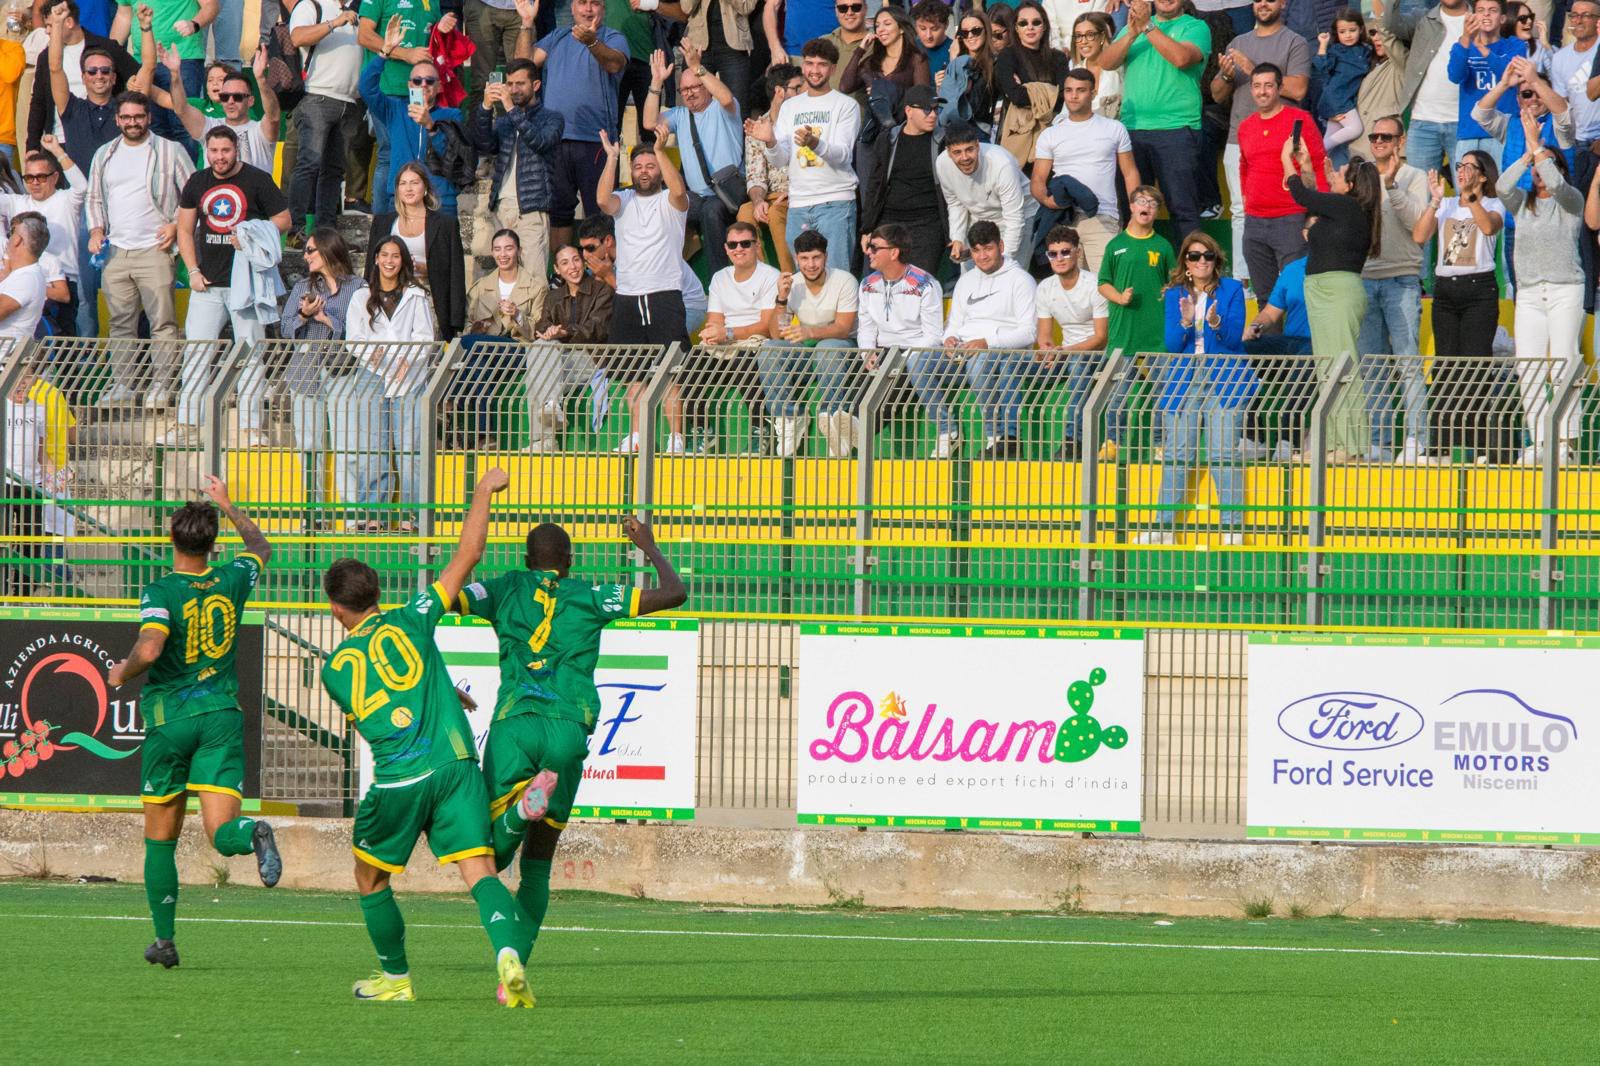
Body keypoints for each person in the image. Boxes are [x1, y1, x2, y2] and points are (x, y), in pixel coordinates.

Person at [320, 469, 542, 1008]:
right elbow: (467, 556)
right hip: (458, 766)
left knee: (369, 878)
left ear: (336, 608)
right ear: (377, 593)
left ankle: (395, 979)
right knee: (480, 870)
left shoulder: (334, 668)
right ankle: (507, 955)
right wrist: (482, 491)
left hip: (400, 779)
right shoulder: (415, 616)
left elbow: (383, 710)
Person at [458, 514, 684, 1007]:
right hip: (567, 728)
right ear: (569, 561)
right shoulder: (590, 594)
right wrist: (647, 545)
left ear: (525, 560)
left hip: (514, 723)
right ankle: (512, 973)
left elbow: (449, 597)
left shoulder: (502, 588)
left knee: (488, 860)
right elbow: (674, 593)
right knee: (538, 866)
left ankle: (517, 814)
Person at [105, 475, 281, 970]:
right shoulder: (233, 577)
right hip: (222, 715)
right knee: (221, 831)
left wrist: (121, 670)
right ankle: (251, 835)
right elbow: (262, 545)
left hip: (171, 719)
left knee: (160, 836)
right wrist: (228, 503)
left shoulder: (160, 590)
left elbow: (152, 646)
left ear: (171, 539)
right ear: (213, 542)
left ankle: (164, 940)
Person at [165, 126, 290, 446]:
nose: (220, 157)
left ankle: (251, 428)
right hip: (206, 284)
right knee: (196, 353)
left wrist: (251, 232)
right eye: (214, 151)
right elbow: (184, 229)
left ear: (237, 149)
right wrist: (191, 270)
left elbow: (284, 220)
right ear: (207, 151)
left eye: (226, 150)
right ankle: (187, 425)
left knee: (250, 353)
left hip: (245, 284)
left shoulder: (257, 179)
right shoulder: (198, 181)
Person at [1141, 231, 1252, 545]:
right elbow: (1173, 345)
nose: (1201, 261)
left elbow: (1233, 339)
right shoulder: (1175, 294)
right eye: (1194, 256)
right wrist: (1187, 322)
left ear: (1216, 260)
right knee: (1177, 452)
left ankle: (1232, 529)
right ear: (1185, 262)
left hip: (1224, 377)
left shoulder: (1231, 289)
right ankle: (1163, 528)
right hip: (1185, 377)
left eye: (1208, 255)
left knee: (1222, 452)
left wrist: (1214, 322)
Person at [1281, 143, 1381, 461]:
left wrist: (1287, 162)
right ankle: (1333, 443)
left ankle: (1350, 447)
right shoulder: (1344, 209)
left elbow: (1303, 196)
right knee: (1328, 369)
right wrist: (1308, 167)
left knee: (1341, 368)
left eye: (1339, 174)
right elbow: (1316, 198)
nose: (1333, 175)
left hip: (1336, 293)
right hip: (1324, 291)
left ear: (1351, 185)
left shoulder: (1348, 208)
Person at [86, 90, 192, 381]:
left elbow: (193, 197)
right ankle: (122, 386)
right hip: (116, 250)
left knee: (163, 323)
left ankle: (162, 385)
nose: (133, 122)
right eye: (127, 117)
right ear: (117, 119)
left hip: (156, 249)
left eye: (138, 116)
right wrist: (96, 230)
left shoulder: (172, 150)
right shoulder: (104, 154)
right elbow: (94, 198)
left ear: (149, 117)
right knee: (120, 323)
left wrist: (174, 226)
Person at [599, 127, 689, 453]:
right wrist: (612, 159)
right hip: (628, 297)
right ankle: (637, 437)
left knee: (671, 373)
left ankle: (676, 438)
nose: (644, 172)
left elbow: (678, 190)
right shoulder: (622, 199)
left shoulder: (671, 200)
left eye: (650, 166)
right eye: (638, 167)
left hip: (664, 294)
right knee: (632, 375)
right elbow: (600, 200)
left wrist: (662, 152)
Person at [1209, 0, 1311, 287]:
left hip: (1280, 141)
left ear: (1283, 3)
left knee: (1283, 206)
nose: (1263, 3)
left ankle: (1284, 277)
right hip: (1238, 137)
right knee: (1241, 209)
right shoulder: (1238, 42)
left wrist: (1251, 68)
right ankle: (1244, 280)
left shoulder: (1295, 42)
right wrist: (1228, 75)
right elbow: (1217, 94)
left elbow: (1299, 88)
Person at [340, 236, 437, 532]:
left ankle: (412, 516)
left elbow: (425, 337)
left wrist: (410, 358)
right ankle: (375, 515)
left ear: (403, 261)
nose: (390, 261)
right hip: (373, 375)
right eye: (385, 255)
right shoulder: (360, 296)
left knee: (410, 451)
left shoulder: (416, 295)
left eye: (396, 256)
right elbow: (353, 339)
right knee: (373, 449)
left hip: (409, 377)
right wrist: (374, 354)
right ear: (377, 259)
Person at [1412, 149, 1504, 463]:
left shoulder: (1493, 202)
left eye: (1468, 166)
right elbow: (1419, 236)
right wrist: (1436, 200)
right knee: (1445, 366)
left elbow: (1489, 227)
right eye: (1459, 165)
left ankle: (1481, 448)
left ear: (1482, 174)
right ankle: (1440, 447)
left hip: (1479, 289)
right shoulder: (1447, 205)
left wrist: (1471, 198)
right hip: (1446, 291)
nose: (1461, 170)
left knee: (1476, 366)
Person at [516, 0, 629, 251]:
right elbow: (522, 68)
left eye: (595, 4)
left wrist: (592, 42)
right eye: (582, 3)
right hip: (556, 141)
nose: (588, 9)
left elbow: (614, 63)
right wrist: (526, 25)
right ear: (573, 8)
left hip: (596, 141)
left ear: (604, 9)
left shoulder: (614, 37)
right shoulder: (557, 36)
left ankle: (603, 279)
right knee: (559, 213)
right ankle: (562, 276)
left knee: (599, 214)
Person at [746, 37, 860, 273]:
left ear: (832, 68)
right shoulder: (790, 106)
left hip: (835, 201)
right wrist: (770, 141)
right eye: (810, 63)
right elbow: (780, 159)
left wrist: (814, 143)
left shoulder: (846, 105)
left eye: (822, 64)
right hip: (798, 204)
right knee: (804, 279)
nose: (815, 70)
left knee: (838, 278)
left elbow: (843, 155)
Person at [1101, 0, 1211, 245]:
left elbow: (1182, 58)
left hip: (1177, 130)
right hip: (1132, 130)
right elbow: (1106, 62)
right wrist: (1131, 32)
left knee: (1183, 210)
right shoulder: (1133, 28)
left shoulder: (1195, 27)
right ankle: (1138, 273)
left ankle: (1190, 276)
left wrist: (1147, 26)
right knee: (1133, 209)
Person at [1504, 125, 1583, 463]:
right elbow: (1501, 186)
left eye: (1545, 164)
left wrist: (1539, 148)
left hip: (1566, 288)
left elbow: (1556, 184)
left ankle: (1566, 441)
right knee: (1529, 366)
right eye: (1536, 166)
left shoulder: (1571, 200)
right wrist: (1527, 154)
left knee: (1563, 361)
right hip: (1530, 294)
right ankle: (1539, 439)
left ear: (1558, 168)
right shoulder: (1522, 203)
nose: (1538, 170)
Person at [1358, 114, 1432, 464]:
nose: (1378, 142)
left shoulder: (1415, 177)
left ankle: (1417, 440)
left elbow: (1418, 224)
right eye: (1374, 136)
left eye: (1386, 136)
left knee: (1407, 363)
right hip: (1365, 278)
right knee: (1371, 365)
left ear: (1400, 141)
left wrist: (1391, 186)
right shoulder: (1362, 176)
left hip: (1402, 278)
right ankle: (1380, 442)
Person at [45, 13, 123, 337]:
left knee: (123, 294)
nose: (99, 75)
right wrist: (57, 30)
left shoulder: (126, 111)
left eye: (105, 70)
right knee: (86, 296)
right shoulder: (72, 107)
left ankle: (131, 365)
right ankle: (88, 364)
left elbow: (146, 73)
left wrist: (145, 30)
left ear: (114, 76)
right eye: (92, 71)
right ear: (85, 76)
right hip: (83, 211)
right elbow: (53, 69)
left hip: (121, 208)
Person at [758, 228, 859, 458]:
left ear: (825, 257)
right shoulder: (792, 283)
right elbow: (776, 334)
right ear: (796, 258)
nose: (810, 264)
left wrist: (809, 331)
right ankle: (789, 418)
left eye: (816, 257)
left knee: (828, 348)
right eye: (804, 258)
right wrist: (781, 299)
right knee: (769, 350)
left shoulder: (844, 281)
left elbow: (843, 328)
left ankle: (832, 418)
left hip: (842, 348)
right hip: (807, 353)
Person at [939, 219, 1035, 458]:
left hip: (1005, 354)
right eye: (976, 250)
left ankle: (998, 436)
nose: (982, 256)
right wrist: (949, 338)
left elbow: (1029, 333)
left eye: (988, 248)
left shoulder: (1021, 280)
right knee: (918, 362)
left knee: (980, 360)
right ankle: (946, 432)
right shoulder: (966, 280)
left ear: (1001, 246)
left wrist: (987, 342)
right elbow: (954, 323)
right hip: (963, 354)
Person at [645, 41, 743, 273]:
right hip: (698, 196)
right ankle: (660, 273)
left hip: (729, 194)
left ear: (707, 86)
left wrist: (697, 67)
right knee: (661, 205)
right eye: (684, 90)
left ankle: (718, 280)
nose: (688, 94)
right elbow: (649, 123)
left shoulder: (723, 109)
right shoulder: (680, 115)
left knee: (711, 212)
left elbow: (726, 98)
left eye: (694, 87)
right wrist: (656, 82)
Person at [1030, 66, 1139, 273]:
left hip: (1103, 216)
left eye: (1080, 90)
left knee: (1107, 285)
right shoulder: (1050, 134)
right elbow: (1037, 179)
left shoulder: (1114, 128)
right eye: (1069, 90)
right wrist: (1047, 201)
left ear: (1093, 93)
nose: (1073, 95)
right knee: (1071, 291)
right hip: (1063, 219)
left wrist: (1134, 212)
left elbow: (1130, 173)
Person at [1097, 185, 1175, 459]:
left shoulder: (1162, 246)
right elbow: (1103, 283)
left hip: (1156, 337)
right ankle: (1112, 443)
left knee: (1161, 396)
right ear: (1131, 206)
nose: (1147, 206)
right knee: (1117, 396)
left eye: (1153, 203)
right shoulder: (1116, 245)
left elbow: (1172, 282)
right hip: (1123, 335)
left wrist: (1168, 289)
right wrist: (1119, 298)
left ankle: (1160, 444)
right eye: (1142, 201)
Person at [1236, 63, 1327, 297]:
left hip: (1291, 218)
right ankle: (1269, 336)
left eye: (1268, 85)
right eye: (1256, 86)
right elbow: (1245, 166)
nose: (1262, 91)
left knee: (1296, 294)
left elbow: (1319, 165)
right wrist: (1248, 204)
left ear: (1279, 88)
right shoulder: (1246, 127)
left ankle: (1295, 336)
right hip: (1255, 222)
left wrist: (1318, 214)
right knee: (1264, 298)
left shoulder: (1300, 120)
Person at [280, 227, 364, 480]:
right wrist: (304, 316)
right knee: (308, 447)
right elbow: (285, 329)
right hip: (305, 372)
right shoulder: (303, 286)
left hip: (343, 371)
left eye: (310, 250)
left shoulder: (358, 287)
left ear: (328, 250)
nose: (305, 256)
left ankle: (352, 519)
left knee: (348, 447)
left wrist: (328, 321)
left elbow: (364, 331)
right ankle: (312, 516)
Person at [857, 222, 948, 455]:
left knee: (896, 372)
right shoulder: (867, 284)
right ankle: (847, 423)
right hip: (883, 350)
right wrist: (867, 351)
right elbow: (866, 327)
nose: (868, 252)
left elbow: (933, 335)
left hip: (915, 352)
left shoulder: (925, 283)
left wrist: (905, 356)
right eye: (869, 246)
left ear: (894, 252)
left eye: (874, 247)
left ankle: (860, 430)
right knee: (856, 366)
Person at [472, 57, 563, 281]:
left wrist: (511, 109)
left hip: (532, 207)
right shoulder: (504, 122)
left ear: (536, 86)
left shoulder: (552, 118)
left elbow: (540, 142)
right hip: (501, 206)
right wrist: (485, 108)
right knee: (500, 277)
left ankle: (538, 318)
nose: (514, 89)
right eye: (510, 84)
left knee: (534, 276)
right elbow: (484, 146)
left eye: (520, 84)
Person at [357, 0, 452, 216]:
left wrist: (442, 28)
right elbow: (364, 36)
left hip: (422, 92)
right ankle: (382, 220)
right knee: (389, 152)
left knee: (418, 153)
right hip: (388, 87)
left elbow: (432, 40)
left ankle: (415, 214)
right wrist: (403, 53)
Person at [698, 219, 781, 452]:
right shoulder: (719, 277)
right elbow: (714, 317)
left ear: (756, 246)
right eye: (733, 245)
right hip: (726, 341)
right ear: (725, 248)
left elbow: (766, 325)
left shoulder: (769, 275)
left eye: (745, 243)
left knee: (746, 364)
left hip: (756, 340)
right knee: (691, 369)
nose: (739, 249)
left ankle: (761, 432)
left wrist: (728, 332)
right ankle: (702, 432)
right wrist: (713, 332)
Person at [1029, 224, 1108, 461]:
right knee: (1015, 366)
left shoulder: (1095, 284)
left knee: (1077, 364)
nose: (1059, 258)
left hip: (1096, 354)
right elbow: (1044, 334)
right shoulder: (1045, 287)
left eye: (1065, 252)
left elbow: (1101, 337)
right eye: (1053, 254)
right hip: (1064, 353)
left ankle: (1073, 441)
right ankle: (1008, 439)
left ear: (1077, 252)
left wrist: (1066, 351)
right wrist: (1047, 351)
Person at [286, 0, 362, 242]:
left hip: (349, 101)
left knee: (334, 171)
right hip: (317, 96)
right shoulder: (311, 5)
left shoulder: (358, 8)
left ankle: (325, 233)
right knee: (309, 163)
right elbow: (297, 37)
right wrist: (335, 22)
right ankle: (296, 229)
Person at [526, 243, 611, 451]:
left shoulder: (602, 290)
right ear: (557, 269)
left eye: (575, 260)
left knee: (539, 362)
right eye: (564, 263)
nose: (572, 267)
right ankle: (551, 410)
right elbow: (542, 324)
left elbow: (597, 327)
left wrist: (564, 332)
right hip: (561, 360)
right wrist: (549, 331)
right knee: (540, 347)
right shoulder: (554, 296)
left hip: (592, 358)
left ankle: (544, 438)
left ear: (583, 262)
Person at [371, 162, 468, 341]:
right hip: (390, 298)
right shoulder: (382, 222)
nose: (408, 188)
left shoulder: (445, 224)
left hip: (430, 299)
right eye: (403, 183)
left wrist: (456, 321)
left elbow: (456, 274)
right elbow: (371, 268)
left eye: (414, 183)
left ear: (425, 188)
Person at [857, 82, 946, 274]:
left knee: (918, 284)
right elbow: (875, 184)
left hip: (928, 223)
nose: (932, 115)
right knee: (879, 282)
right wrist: (867, 228)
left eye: (936, 110)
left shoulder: (943, 140)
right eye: (926, 109)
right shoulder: (888, 139)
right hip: (890, 220)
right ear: (908, 110)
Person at [26, 0, 137, 153]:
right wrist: (32, 147)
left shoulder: (105, 47)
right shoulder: (46, 57)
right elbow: (39, 102)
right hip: (60, 141)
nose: (47, 31)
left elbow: (139, 75)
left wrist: (132, 82)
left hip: (105, 136)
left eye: (51, 25)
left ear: (69, 22)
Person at [1, 134, 84, 328]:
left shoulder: (66, 200)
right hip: (22, 281)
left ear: (55, 177)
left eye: (41, 176)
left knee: (61, 348)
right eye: (29, 178)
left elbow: (81, 186)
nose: (35, 182)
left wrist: (57, 150)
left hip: (61, 283)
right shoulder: (17, 202)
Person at [1548, 0, 1600, 310]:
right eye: (1574, 15)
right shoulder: (1561, 59)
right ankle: (1587, 299)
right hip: (1580, 146)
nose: (1577, 20)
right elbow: (1565, 105)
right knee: (1583, 225)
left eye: (1586, 16)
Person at [938, 119, 1036, 273]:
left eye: (969, 149)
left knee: (1008, 275)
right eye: (957, 152)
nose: (964, 157)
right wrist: (957, 237)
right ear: (949, 152)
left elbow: (1014, 217)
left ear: (978, 145)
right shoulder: (942, 163)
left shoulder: (1001, 163)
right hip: (978, 218)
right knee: (971, 278)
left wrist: (1004, 260)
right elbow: (955, 203)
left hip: (1021, 215)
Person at [163, 44, 279, 173]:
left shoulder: (259, 130)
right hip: (216, 192)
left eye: (238, 97)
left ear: (251, 101)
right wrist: (175, 75)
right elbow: (181, 109)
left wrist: (260, 79)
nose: (230, 101)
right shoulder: (209, 126)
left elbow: (273, 116)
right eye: (224, 97)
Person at [1386, 0, 1472, 174]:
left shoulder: (1480, 18)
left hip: (1464, 123)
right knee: (1421, 194)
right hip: (1423, 120)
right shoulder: (1422, 17)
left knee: (1467, 194)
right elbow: (1391, 24)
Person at [740, 62, 800, 272]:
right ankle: (758, 279)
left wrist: (793, 192)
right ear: (779, 91)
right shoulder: (758, 125)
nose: (802, 93)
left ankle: (789, 279)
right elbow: (755, 176)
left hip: (797, 194)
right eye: (797, 88)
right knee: (745, 213)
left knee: (775, 214)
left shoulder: (802, 121)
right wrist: (757, 202)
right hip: (770, 195)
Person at [993, 0, 1068, 168]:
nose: (1030, 27)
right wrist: (1049, 90)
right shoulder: (1008, 55)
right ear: (1016, 28)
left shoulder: (1058, 58)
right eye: (1023, 23)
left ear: (1045, 26)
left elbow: (1063, 98)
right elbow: (1016, 96)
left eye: (1036, 22)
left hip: (1052, 135)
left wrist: (1028, 88)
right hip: (1020, 135)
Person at [1448, 0, 1521, 164]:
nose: (1486, 14)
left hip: (1503, 134)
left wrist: (1482, 48)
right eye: (1480, 10)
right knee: (1468, 189)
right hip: (1469, 134)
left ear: (1502, 19)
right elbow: (1455, 76)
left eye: (1492, 10)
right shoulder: (1461, 46)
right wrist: (1467, 39)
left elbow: (1508, 76)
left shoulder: (1515, 45)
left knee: (1503, 189)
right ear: (1474, 17)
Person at [840, 4, 931, 122]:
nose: (880, 29)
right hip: (876, 130)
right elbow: (845, 87)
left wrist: (884, 90)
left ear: (901, 28)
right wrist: (860, 51)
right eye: (877, 26)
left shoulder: (916, 59)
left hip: (904, 127)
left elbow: (922, 98)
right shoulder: (871, 62)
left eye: (887, 24)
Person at [1315, 9, 1375, 162]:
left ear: (1361, 29)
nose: (1348, 35)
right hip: (1337, 98)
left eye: (1352, 30)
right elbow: (1322, 67)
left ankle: (1318, 165)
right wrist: (1323, 44)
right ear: (1336, 33)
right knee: (1355, 129)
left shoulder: (1365, 49)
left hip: (1344, 98)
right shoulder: (1336, 50)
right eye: (1342, 32)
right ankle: (1316, 151)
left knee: (1331, 142)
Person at [673, 0, 759, 108]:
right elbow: (686, 7)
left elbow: (747, 7)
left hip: (734, 48)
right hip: (698, 47)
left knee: (737, 106)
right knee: (695, 104)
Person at [938, 8, 998, 137]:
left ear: (986, 31)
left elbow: (973, 106)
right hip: (951, 130)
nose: (970, 36)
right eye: (964, 33)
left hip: (978, 129)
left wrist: (955, 64)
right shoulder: (954, 63)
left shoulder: (995, 63)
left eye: (976, 31)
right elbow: (946, 104)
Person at [0, 211, 48, 340]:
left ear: (17, 240)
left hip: (6, 358)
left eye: (11, 234)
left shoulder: (27, 278)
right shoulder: (21, 275)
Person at [1069, 12, 1122, 119]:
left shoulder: (1118, 65)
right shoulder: (1075, 70)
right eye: (1079, 36)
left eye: (1090, 35)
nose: (1083, 41)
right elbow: (1066, 111)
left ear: (1102, 37)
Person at [764, 0, 843, 69]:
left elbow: (851, 8)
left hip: (831, 52)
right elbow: (772, 6)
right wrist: (775, 48)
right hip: (795, 54)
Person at [914, 0, 952, 80]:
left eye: (934, 29)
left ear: (946, 25)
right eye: (922, 28)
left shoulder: (954, 50)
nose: (928, 36)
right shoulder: (910, 48)